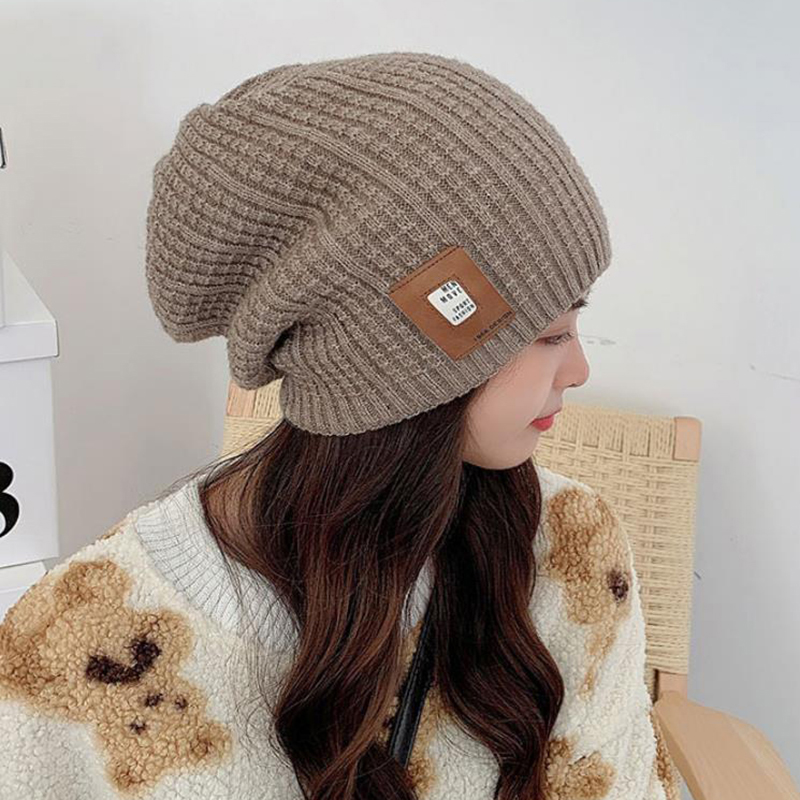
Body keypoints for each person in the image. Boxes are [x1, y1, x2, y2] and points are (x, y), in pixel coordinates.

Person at [0, 51, 680, 799]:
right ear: (406, 353)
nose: (579, 368)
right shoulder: (77, 640)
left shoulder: (572, 550)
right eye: (549, 335)